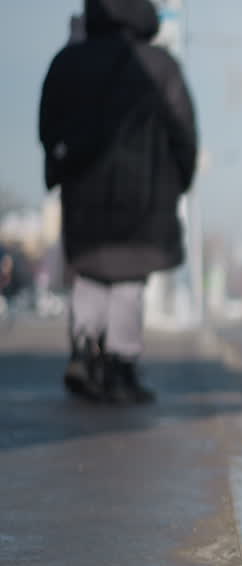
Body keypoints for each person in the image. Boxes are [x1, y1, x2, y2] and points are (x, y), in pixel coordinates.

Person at [38, 0, 198, 404]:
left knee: (91, 272)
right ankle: (121, 367)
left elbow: (48, 121)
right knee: (128, 280)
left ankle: (84, 350)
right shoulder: (159, 65)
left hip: (83, 190)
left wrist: (57, 169)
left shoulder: (69, 61)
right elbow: (183, 129)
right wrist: (179, 179)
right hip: (142, 195)